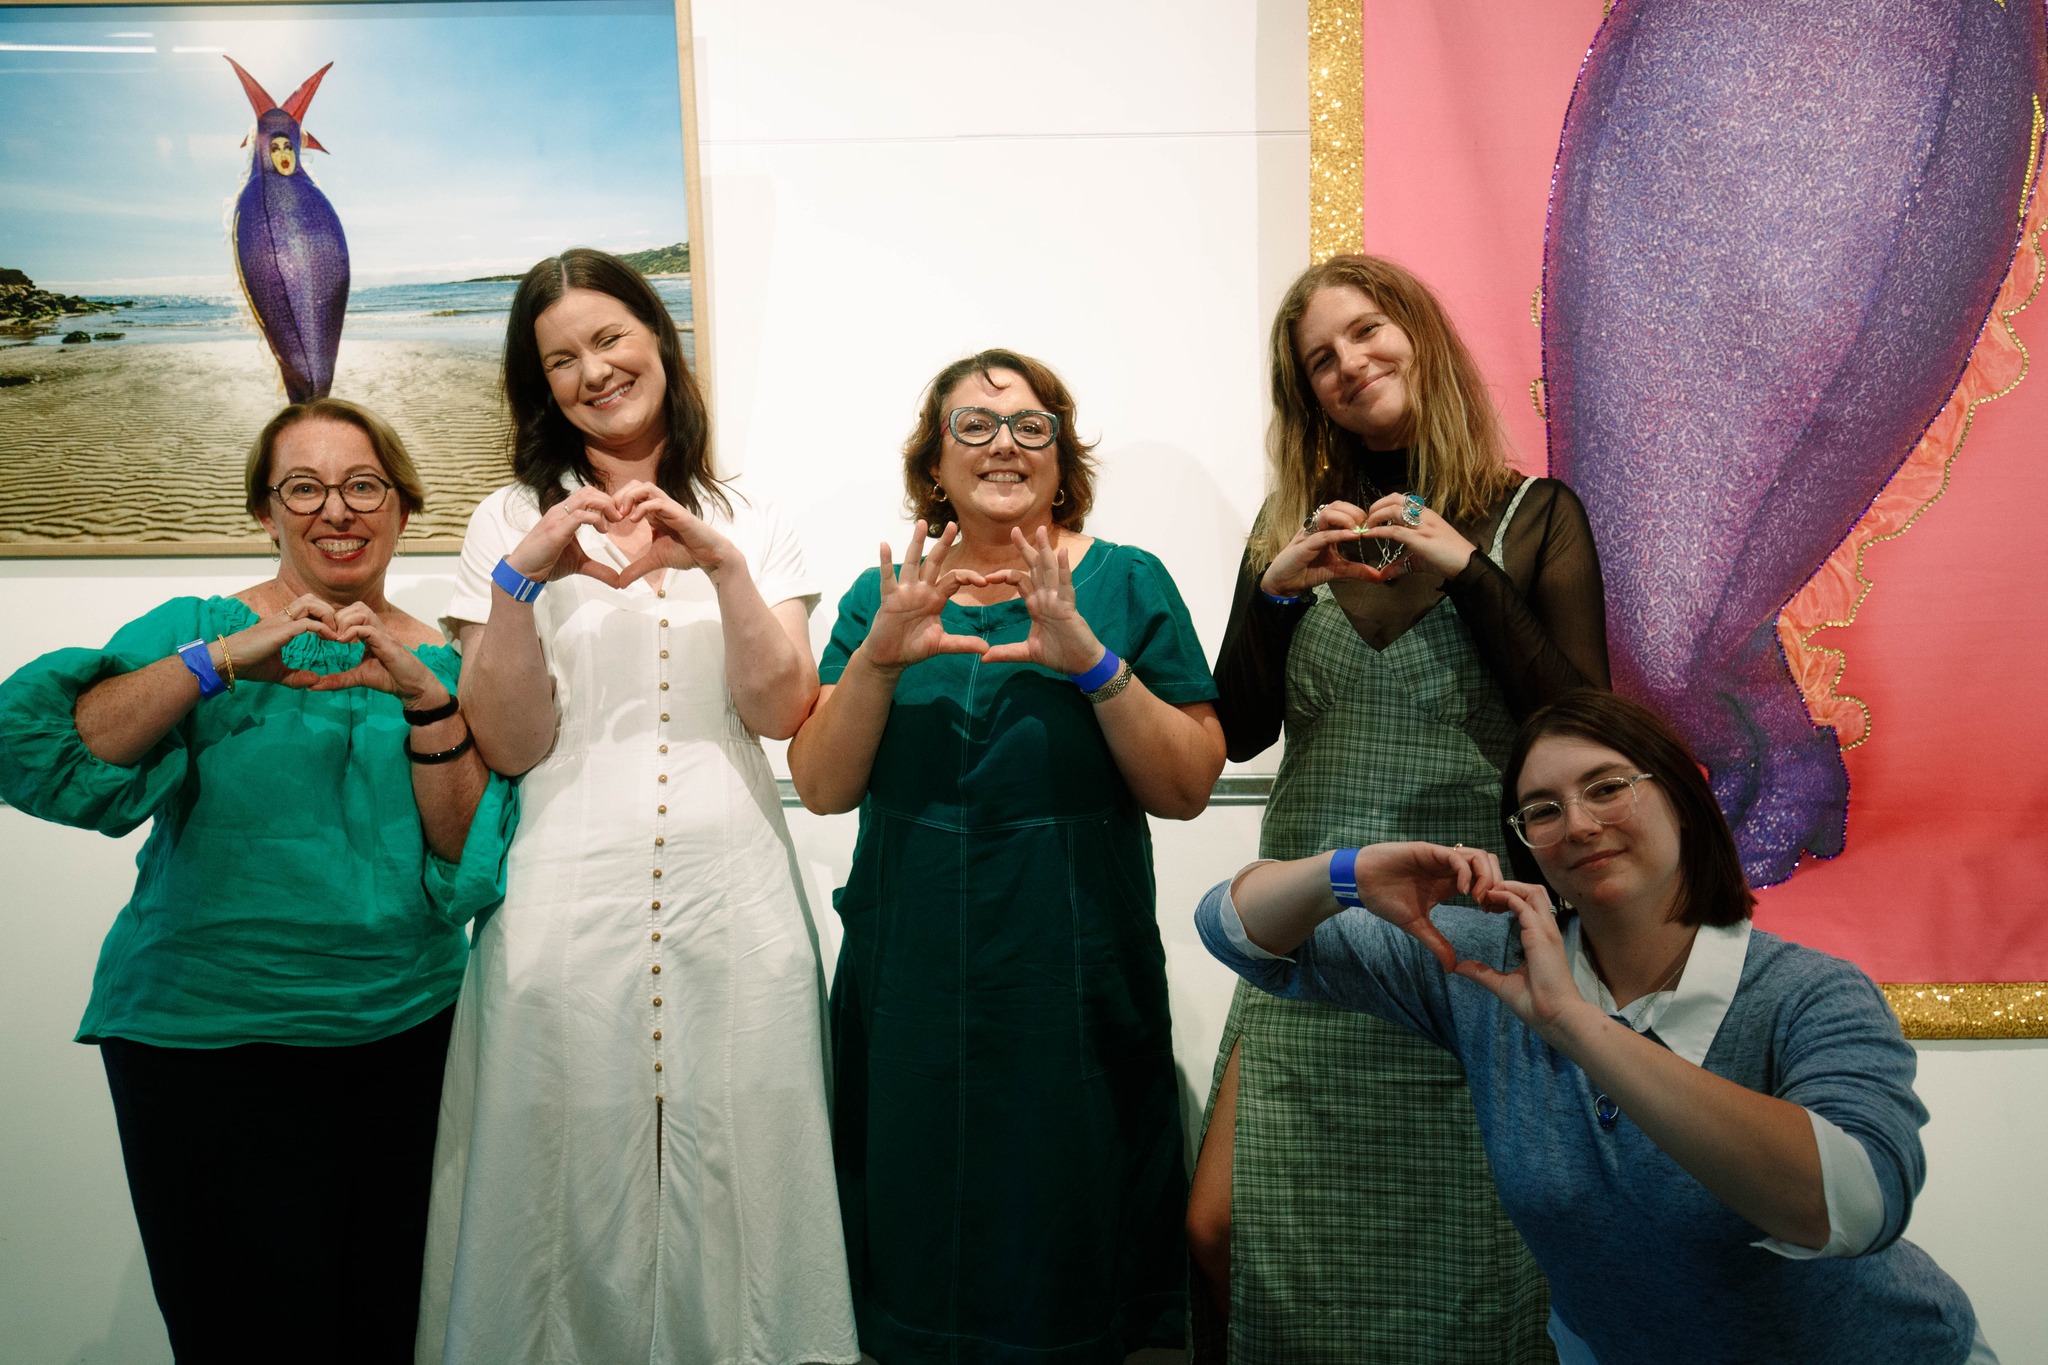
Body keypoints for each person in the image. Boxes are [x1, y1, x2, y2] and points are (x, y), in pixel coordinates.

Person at [1195, 689, 1996, 1365]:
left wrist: (1580, 1027)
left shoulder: (1808, 995)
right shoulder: (1488, 963)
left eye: (1607, 787)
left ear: (1684, 797)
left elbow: (1854, 1206)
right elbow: (1233, 929)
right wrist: (1348, 870)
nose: (1576, 825)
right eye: (1540, 810)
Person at [0, 397, 512, 1364]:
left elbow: (463, 861)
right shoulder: (200, 629)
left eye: (364, 485)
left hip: (409, 1041)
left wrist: (426, 698)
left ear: (402, 508)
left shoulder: (445, 656)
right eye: (304, 488)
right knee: (242, 1334)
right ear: (265, 512)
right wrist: (222, 660)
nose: (337, 510)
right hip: (205, 1044)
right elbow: (61, 750)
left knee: (390, 1326)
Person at [416, 248, 857, 1365]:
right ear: (538, 386)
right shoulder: (505, 518)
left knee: (749, 1162)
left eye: (609, 338)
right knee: (554, 1168)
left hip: (734, 886)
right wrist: (523, 577)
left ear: (659, 339)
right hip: (563, 890)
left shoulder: (752, 513)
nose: (592, 372)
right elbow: (511, 742)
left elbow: (777, 708)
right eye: (558, 359)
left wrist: (720, 563)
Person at [1186, 253, 1611, 1360]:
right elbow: (1235, 731)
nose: (1348, 366)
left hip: (1461, 937)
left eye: (1365, 332)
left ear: (1417, 331)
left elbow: (1582, 733)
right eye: (1319, 360)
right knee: (1224, 1226)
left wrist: (1469, 575)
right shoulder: (1290, 526)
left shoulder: (1531, 519)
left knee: (1470, 1255)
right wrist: (1274, 597)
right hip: (1305, 928)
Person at [788, 349, 1227, 1363]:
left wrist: (1092, 662)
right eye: (972, 426)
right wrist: (879, 657)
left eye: (1030, 426)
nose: (1002, 445)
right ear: (932, 465)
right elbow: (820, 784)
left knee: (1071, 1254)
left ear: (1060, 457)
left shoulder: (1125, 582)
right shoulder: (881, 594)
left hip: (1069, 978)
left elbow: (1187, 785)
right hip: (910, 989)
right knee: (911, 1244)